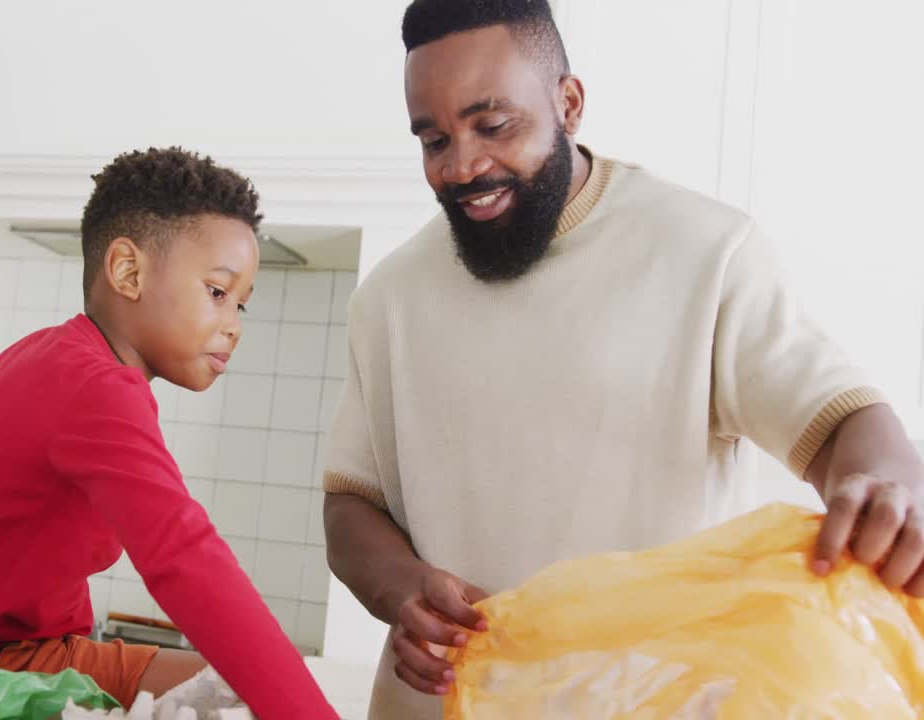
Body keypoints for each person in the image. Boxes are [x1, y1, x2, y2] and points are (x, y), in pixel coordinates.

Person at [320, 2, 924, 718]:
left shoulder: (706, 251)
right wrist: (401, 585)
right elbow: (351, 502)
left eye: (493, 125)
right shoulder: (389, 297)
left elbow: (837, 421)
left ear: (568, 103)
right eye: (433, 139)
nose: (463, 166)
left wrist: (892, 485)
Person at [0, 147, 338, 719]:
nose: (233, 327)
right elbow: (185, 557)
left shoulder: (44, 356)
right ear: (128, 271)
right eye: (218, 293)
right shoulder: (96, 387)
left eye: (242, 305)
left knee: (231, 691)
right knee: (247, 698)